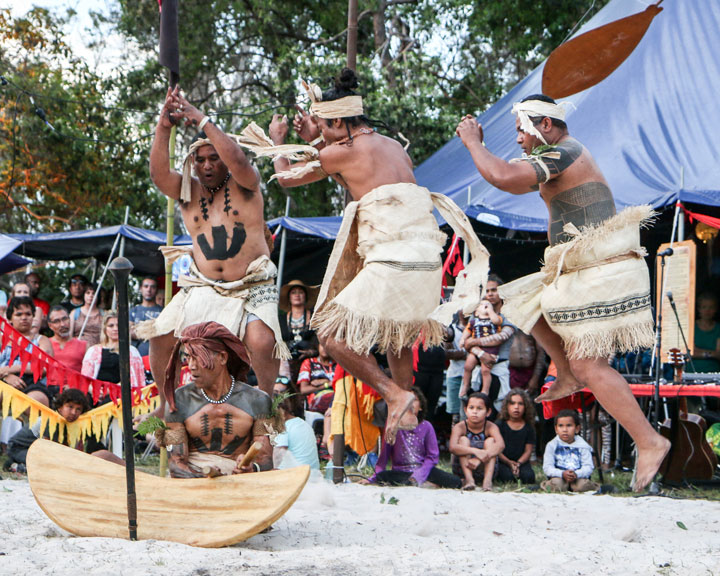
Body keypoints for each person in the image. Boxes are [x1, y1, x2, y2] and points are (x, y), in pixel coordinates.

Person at [456, 94, 669, 491]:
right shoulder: (561, 153)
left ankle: (649, 440)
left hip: (600, 267)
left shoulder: (563, 154)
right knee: (522, 300)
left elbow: (503, 177)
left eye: (522, 130)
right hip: (583, 267)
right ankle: (566, 370)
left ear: (546, 127)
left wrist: (472, 142)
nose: (519, 139)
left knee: (592, 366)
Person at [267, 68, 488, 444]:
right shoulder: (392, 145)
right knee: (396, 340)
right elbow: (355, 178)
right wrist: (320, 139)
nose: (320, 130)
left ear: (338, 120)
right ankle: (409, 446)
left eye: (323, 123)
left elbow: (287, 178)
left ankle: (394, 394)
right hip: (426, 261)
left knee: (331, 334)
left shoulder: (343, 150)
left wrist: (279, 143)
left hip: (394, 258)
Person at [143, 86, 287, 412]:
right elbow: (158, 174)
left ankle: (266, 402)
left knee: (262, 342)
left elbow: (238, 158)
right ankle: (167, 402)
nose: (207, 165)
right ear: (193, 163)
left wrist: (201, 119)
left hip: (251, 285)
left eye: (214, 158)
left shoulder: (247, 186)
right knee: (161, 334)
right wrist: (164, 126)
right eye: (200, 159)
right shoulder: (186, 192)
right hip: (203, 285)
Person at [161, 322, 274, 478]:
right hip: (192, 483)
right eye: (188, 358)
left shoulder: (258, 400)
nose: (192, 366)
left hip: (241, 482)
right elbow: (176, 465)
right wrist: (206, 478)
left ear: (222, 357)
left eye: (198, 358)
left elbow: (265, 459)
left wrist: (252, 468)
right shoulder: (178, 402)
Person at [5, 388, 123, 471]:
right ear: (60, 407)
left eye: (78, 409)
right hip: (19, 448)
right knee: (50, 462)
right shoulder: (50, 421)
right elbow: (47, 448)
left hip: (38, 450)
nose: (73, 412)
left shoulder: (74, 423)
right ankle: (16, 465)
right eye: (70, 407)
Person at [369, 388, 462, 489]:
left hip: (424, 470)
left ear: (421, 407)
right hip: (401, 472)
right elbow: (383, 457)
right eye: (406, 400)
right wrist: (373, 478)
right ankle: (423, 484)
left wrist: (420, 474)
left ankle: (421, 483)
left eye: (414, 400)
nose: (410, 403)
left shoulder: (427, 426)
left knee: (456, 482)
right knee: (382, 477)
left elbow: (432, 457)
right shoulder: (392, 424)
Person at [462, 275, 515, 411]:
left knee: (496, 412)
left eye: (494, 290)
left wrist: (474, 343)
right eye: (487, 291)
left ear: (502, 292)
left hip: (498, 369)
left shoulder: (509, 315)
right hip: (477, 368)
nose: (490, 294)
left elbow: (500, 338)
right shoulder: (478, 313)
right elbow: (465, 343)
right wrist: (480, 353)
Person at [0, 296, 55, 407]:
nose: (24, 318)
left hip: (33, 384)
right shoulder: (1, 339)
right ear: (10, 318)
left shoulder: (42, 340)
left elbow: (43, 368)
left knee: (37, 401)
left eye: (28, 314)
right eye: (19, 314)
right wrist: (6, 376)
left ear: (33, 316)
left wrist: (13, 369)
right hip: (2, 380)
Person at [450, 392, 504, 490]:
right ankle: (469, 480)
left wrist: (479, 459)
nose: (475, 412)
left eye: (479, 408)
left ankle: (487, 482)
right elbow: (452, 447)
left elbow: (501, 445)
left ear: (488, 412)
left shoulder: (491, 427)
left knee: (491, 441)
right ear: (466, 410)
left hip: (484, 467)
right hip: (463, 468)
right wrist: (475, 451)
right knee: (463, 440)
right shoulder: (460, 427)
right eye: (471, 408)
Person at [81, 313, 145, 396]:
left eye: (118, 325)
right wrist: (94, 390)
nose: (115, 329)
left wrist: (108, 391)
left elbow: (133, 381)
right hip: (95, 392)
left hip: (121, 394)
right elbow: (85, 379)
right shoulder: (93, 351)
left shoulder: (132, 352)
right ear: (105, 329)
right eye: (111, 326)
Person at [542, 409, 598, 493]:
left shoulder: (583, 445)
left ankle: (595, 487)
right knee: (557, 485)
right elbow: (547, 467)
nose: (565, 429)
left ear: (577, 428)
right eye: (561, 426)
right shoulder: (551, 445)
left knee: (582, 486)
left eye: (569, 425)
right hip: (558, 477)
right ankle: (547, 485)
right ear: (556, 429)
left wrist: (576, 474)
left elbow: (588, 467)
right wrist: (562, 473)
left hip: (578, 478)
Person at [459, 299, 502, 399]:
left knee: (485, 370)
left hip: (491, 348)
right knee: (468, 366)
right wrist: (462, 339)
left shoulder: (495, 318)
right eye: (482, 305)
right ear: (476, 311)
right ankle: (465, 385)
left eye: (488, 304)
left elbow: (496, 321)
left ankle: (485, 390)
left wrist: (490, 311)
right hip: (476, 347)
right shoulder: (474, 321)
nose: (485, 305)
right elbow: (467, 331)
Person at [273, 387, 320, 471]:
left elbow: (278, 455)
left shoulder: (283, 426)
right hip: (313, 475)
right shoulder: (301, 423)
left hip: (297, 477)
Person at [495, 389, 537, 484]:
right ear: (507, 406)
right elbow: (497, 450)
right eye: (512, 403)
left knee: (528, 477)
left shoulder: (529, 427)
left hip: (521, 461)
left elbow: (528, 451)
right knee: (507, 477)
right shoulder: (499, 425)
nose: (516, 407)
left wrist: (518, 464)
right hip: (503, 461)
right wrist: (509, 463)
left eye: (520, 404)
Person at [279, 279, 319, 363]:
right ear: (289, 297)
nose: (297, 295)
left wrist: (312, 352)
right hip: (285, 361)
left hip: (311, 361)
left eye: (300, 292)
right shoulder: (281, 319)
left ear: (305, 296)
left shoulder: (315, 317)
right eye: (293, 293)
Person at [47, 305, 88, 376]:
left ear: (69, 319)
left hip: (76, 386)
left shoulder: (84, 345)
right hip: (49, 386)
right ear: (50, 325)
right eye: (57, 321)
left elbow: (89, 374)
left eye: (65, 319)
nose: (62, 324)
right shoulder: (45, 344)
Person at [443, 312, 468, 425]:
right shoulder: (452, 328)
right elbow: (446, 353)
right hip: (454, 374)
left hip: (472, 376)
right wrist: (466, 354)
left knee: (469, 412)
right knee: (455, 414)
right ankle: (455, 438)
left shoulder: (477, 327)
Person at [297, 342, 336, 414]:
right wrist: (327, 384)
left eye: (327, 346)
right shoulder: (309, 362)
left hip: (337, 396)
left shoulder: (338, 364)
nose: (324, 348)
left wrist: (324, 381)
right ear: (317, 346)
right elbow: (304, 390)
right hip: (316, 399)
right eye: (322, 345)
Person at [129, 277, 163, 357]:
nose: (149, 290)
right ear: (141, 289)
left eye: (152, 287)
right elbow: (129, 332)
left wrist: (139, 331)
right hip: (136, 356)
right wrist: (151, 332)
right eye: (146, 286)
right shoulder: (133, 311)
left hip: (157, 356)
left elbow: (163, 334)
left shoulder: (163, 312)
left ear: (156, 290)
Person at [691, 293, 720, 373]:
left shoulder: (718, 328)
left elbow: (719, 354)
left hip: (714, 373)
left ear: (716, 310)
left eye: (711, 307)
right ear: (699, 309)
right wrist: (711, 353)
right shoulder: (691, 327)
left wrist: (699, 352)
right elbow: (689, 352)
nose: (707, 311)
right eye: (704, 307)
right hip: (692, 372)